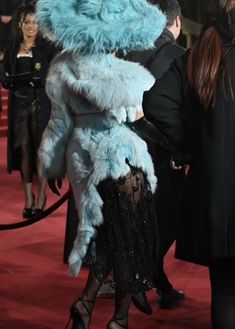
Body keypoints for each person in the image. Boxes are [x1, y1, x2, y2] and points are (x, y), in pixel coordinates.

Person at [36, 0, 166, 328]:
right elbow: (139, 117)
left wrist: (52, 166)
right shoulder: (129, 75)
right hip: (124, 162)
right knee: (128, 242)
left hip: (85, 162)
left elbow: (57, 124)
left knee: (109, 239)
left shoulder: (61, 66)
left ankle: (85, 303)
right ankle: (120, 319)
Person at [146, 0, 235, 328]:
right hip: (214, 195)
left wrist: (195, 143)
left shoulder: (199, 54)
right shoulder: (203, 54)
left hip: (214, 198)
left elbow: (157, 102)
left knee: (225, 292)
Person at [126, 0, 186, 310]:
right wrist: (182, 150)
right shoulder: (175, 55)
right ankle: (141, 277)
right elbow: (166, 111)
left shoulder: (128, 50)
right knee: (167, 220)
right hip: (161, 155)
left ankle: (157, 285)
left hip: (122, 152)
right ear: (177, 22)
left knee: (134, 221)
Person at [1, 3, 57, 218]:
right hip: (19, 107)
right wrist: (5, 79)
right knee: (24, 150)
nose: (31, 26)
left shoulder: (47, 48)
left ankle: (41, 196)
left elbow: (55, 73)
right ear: (20, 24)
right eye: (27, 22)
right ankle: (28, 198)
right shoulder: (13, 47)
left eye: (35, 22)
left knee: (40, 152)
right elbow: (3, 71)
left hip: (41, 106)